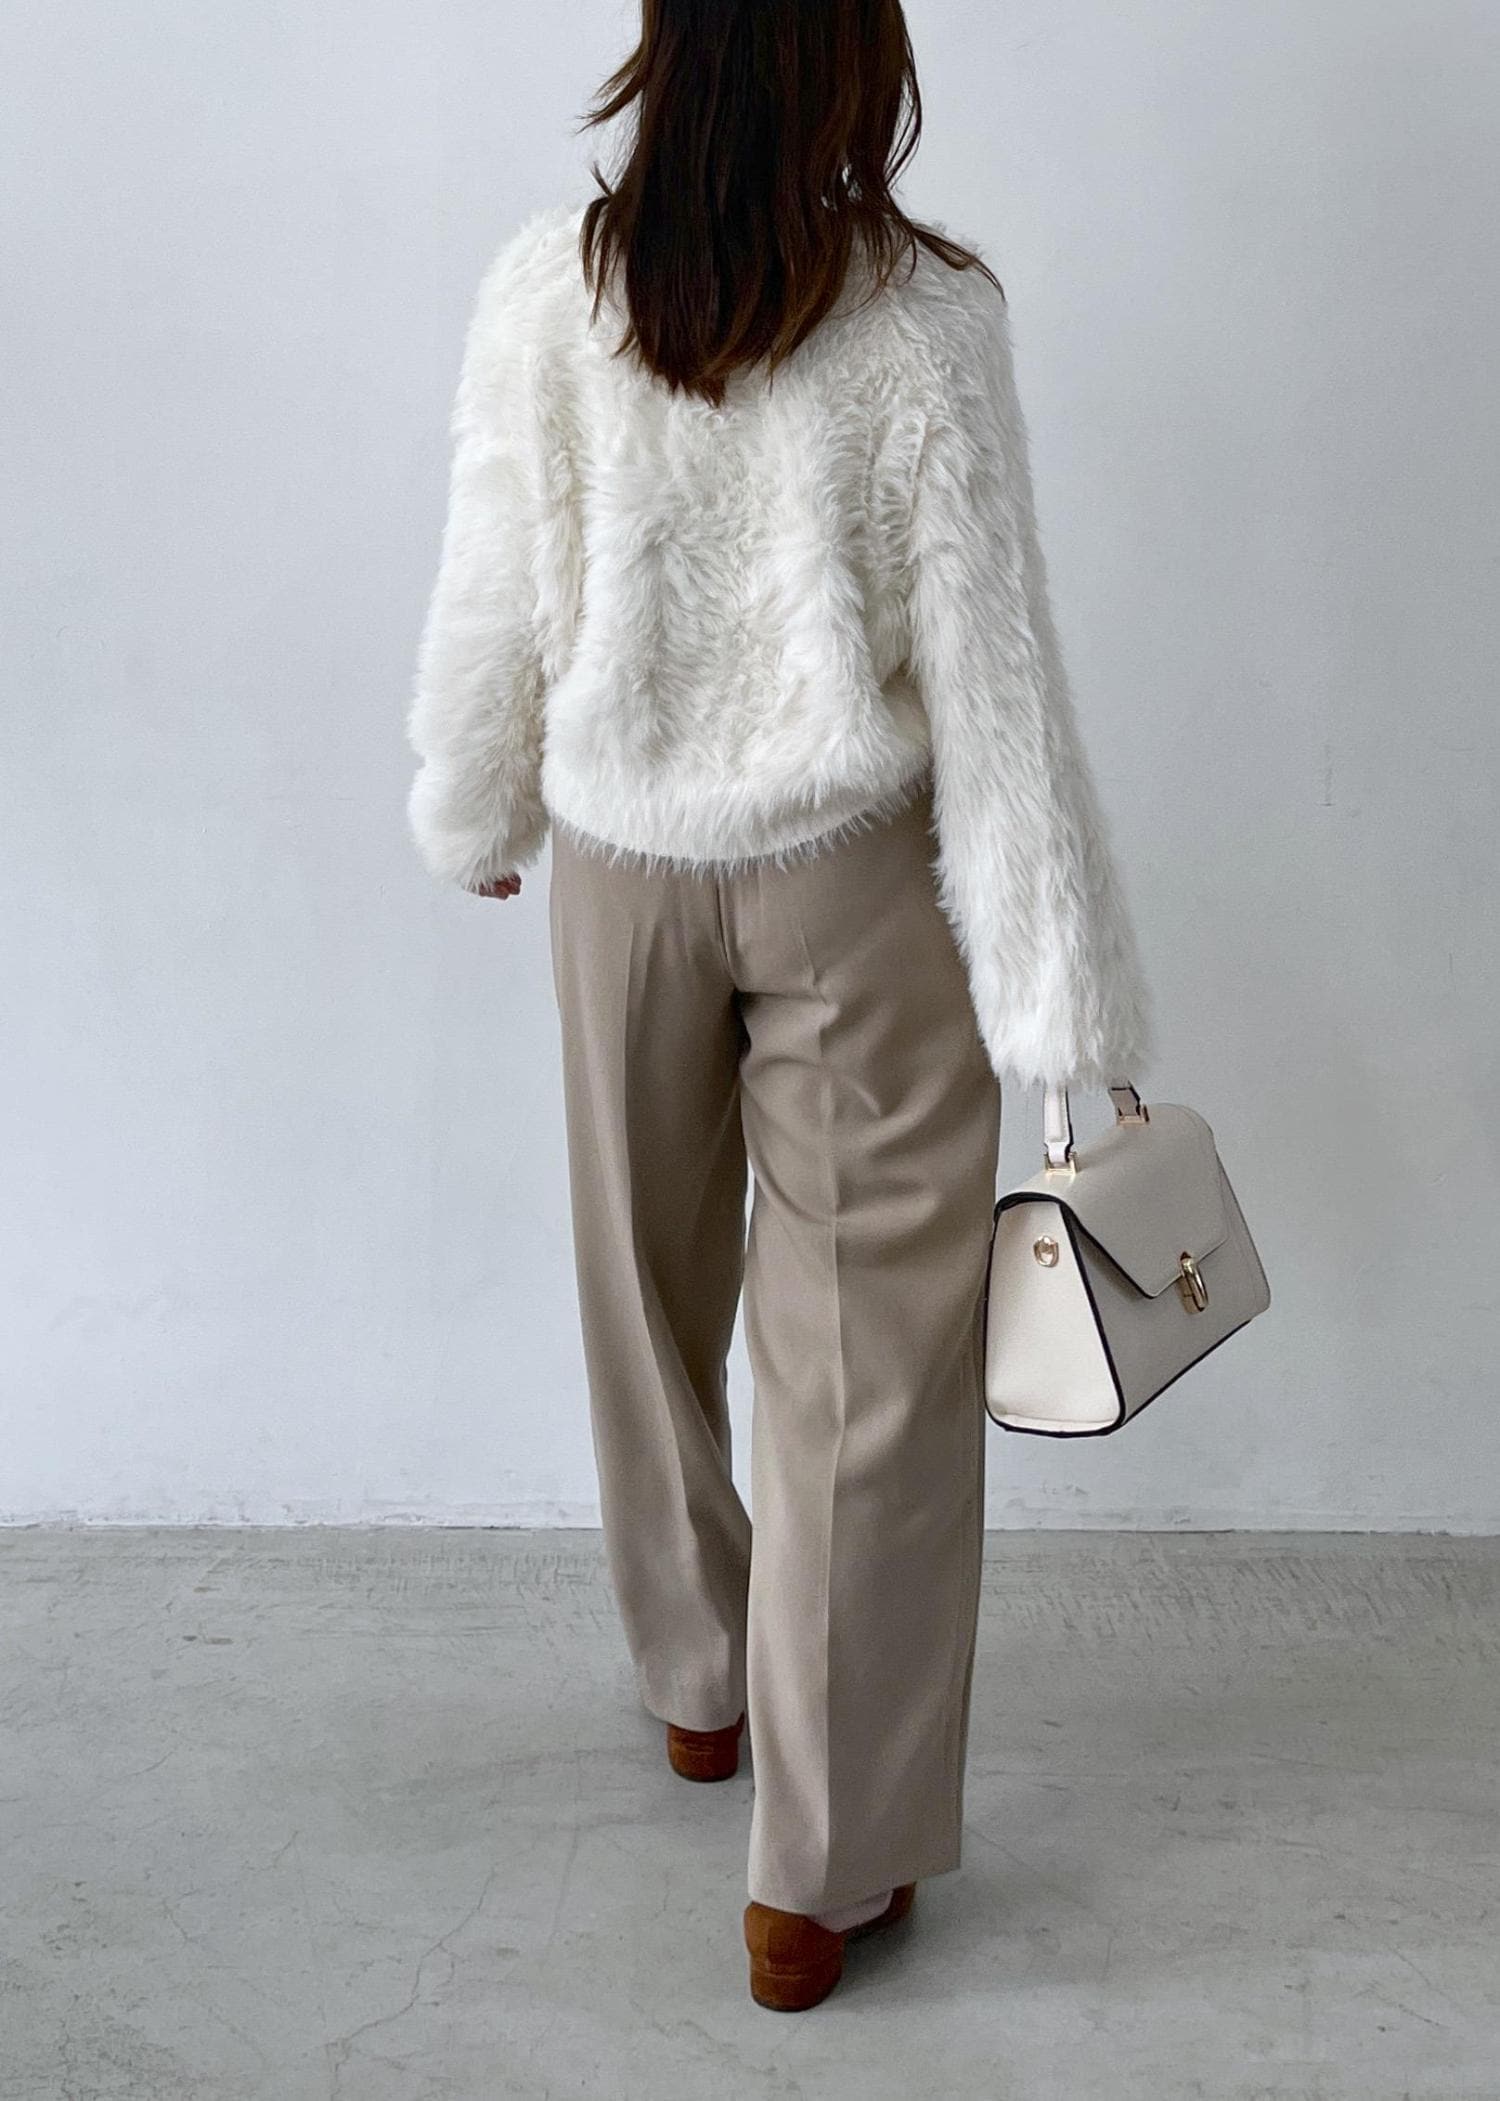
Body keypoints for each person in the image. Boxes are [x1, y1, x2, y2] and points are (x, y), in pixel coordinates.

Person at [406, 0, 1151, 2013]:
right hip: (852, 876)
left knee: (644, 1292)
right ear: (848, 65)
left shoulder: (552, 290)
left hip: (619, 860)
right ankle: (812, 1876)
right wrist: (1054, 976)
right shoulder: (927, 320)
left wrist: (476, 795)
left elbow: (498, 572)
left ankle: (700, 1678)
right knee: (868, 1369)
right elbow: (992, 669)